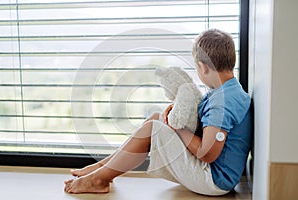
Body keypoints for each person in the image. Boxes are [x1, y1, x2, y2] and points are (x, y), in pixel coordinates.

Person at [64, 29, 252, 196]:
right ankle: (102, 168)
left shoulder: (222, 103)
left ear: (203, 67)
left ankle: (99, 180)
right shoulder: (229, 91)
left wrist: (176, 128)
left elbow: (207, 153)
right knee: (157, 118)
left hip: (214, 180)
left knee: (154, 127)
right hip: (215, 172)